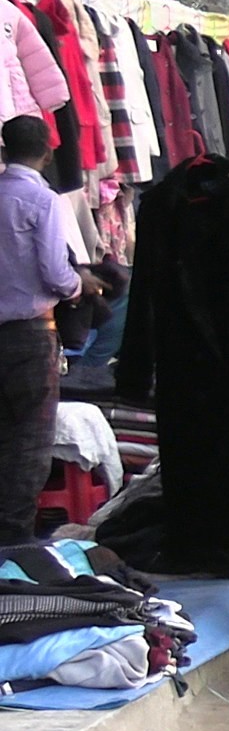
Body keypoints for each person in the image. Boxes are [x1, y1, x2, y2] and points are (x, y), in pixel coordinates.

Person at [0, 115, 90, 547]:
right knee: (30, 443)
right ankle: (13, 541)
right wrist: (79, 286)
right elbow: (55, 272)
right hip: (30, 335)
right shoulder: (42, 200)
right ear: (49, 152)